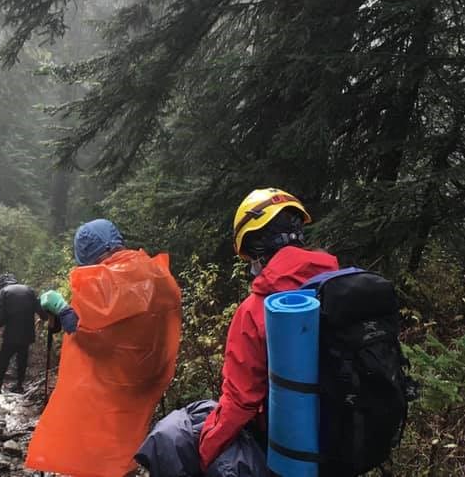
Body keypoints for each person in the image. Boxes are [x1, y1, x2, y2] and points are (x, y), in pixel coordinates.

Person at [25, 218, 182, 477]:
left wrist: (63, 309)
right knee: (127, 444)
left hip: (115, 381)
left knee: (104, 451)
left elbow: (91, 334)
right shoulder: (158, 272)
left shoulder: (108, 279)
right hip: (148, 379)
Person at [197, 187, 338, 469]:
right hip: (344, 443)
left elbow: (240, 401)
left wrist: (203, 452)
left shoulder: (254, 311)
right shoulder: (339, 286)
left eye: (249, 257)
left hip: (289, 453)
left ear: (256, 251)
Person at [0, 273, 43, 393]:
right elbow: (40, 310)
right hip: (28, 333)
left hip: (11, 334)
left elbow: (0, 320)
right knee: (22, 358)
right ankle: (19, 385)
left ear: (0, 284)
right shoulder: (29, 290)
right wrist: (44, 318)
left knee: (4, 358)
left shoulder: (2, 292)